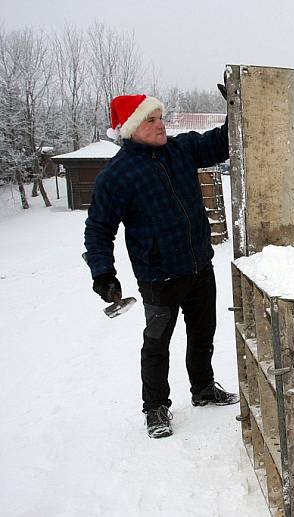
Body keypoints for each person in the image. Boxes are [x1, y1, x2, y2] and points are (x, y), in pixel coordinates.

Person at [84, 91, 237, 439]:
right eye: (150, 120)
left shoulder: (180, 149)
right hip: (158, 276)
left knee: (202, 334)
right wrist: (103, 272)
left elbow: (223, 142)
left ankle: (203, 389)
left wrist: (235, 107)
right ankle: (155, 408)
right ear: (132, 127)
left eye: (160, 117)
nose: (160, 124)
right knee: (157, 344)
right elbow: (98, 229)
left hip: (199, 265)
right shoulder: (117, 175)